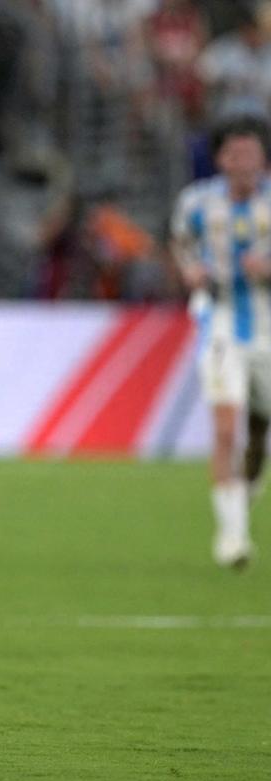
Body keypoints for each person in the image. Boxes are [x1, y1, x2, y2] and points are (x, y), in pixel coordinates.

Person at [171, 114, 271, 569]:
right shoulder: (197, 202)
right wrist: (190, 272)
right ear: (220, 158)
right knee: (226, 428)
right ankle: (232, 537)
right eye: (234, 153)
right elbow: (180, 244)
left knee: (259, 435)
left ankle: (241, 500)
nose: (243, 162)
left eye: (250, 152)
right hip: (221, 324)